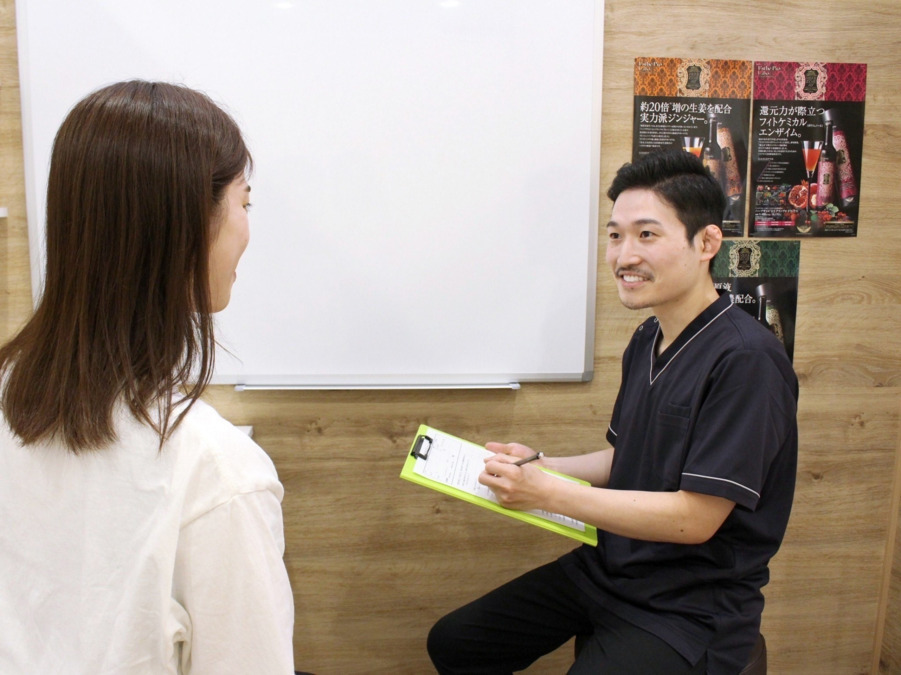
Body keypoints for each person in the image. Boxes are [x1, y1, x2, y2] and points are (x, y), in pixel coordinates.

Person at [427, 149, 798, 674]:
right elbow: (625, 456)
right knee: (456, 642)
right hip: (611, 566)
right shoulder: (648, 337)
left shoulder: (747, 360)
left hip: (691, 603)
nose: (624, 256)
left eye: (647, 235)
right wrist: (541, 465)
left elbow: (696, 520)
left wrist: (549, 495)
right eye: (615, 235)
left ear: (707, 243)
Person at [0, 81, 295, 673]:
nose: (246, 229)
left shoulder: (8, 386)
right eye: (245, 202)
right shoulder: (216, 473)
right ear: (184, 225)